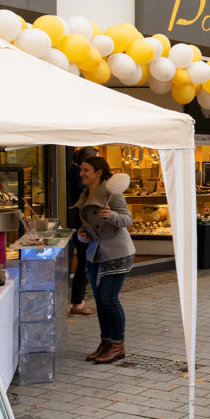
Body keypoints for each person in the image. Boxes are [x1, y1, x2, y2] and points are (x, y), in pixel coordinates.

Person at [74, 156, 135, 365]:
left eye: (86, 170)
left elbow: (127, 219)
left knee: (109, 299)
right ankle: (106, 342)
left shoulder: (111, 192)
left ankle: (118, 345)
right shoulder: (84, 194)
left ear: (98, 172)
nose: (81, 173)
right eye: (81, 169)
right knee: (100, 302)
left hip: (117, 252)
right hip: (96, 253)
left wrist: (111, 216)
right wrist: (83, 233)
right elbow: (87, 224)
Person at [67, 146, 98, 317]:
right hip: (81, 226)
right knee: (83, 265)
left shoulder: (74, 173)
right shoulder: (80, 178)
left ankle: (79, 301)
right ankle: (78, 302)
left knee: (83, 264)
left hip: (79, 225)